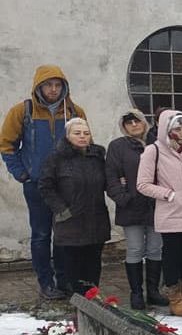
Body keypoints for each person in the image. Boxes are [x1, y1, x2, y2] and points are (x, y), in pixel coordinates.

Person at [0, 65, 87, 300]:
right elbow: (7, 145)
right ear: (39, 86)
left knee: (64, 234)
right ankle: (45, 282)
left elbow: (83, 141)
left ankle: (64, 280)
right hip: (37, 184)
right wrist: (22, 173)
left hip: (67, 185)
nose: (53, 89)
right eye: (48, 85)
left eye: (58, 85)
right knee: (40, 234)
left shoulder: (74, 111)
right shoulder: (23, 111)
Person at [137, 110, 182, 317]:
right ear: (167, 129)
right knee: (171, 257)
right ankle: (175, 298)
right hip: (170, 213)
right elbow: (142, 184)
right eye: (177, 128)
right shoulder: (154, 150)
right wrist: (168, 195)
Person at [37, 118, 110, 295]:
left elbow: (108, 181)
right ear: (68, 135)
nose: (82, 137)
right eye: (77, 133)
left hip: (96, 220)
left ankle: (93, 299)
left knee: (93, 264)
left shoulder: (98, 157)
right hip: (70, 222)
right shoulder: (56, 158)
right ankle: (78, 302)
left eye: (86, 133)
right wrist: (62, 210)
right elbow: (45, 186)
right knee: (74, 267)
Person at [105, 109, 168, 309]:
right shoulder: (117, 146)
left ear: (144, 123)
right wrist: (122, 198)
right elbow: (112, 176)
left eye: (137, 121)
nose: (133, 125)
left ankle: (153, 291)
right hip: (131, 206)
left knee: (155, 249)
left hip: (155, 205)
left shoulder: (157, 144)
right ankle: (136, 293)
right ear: (123, 127)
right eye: (129, 122)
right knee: (134, 249)